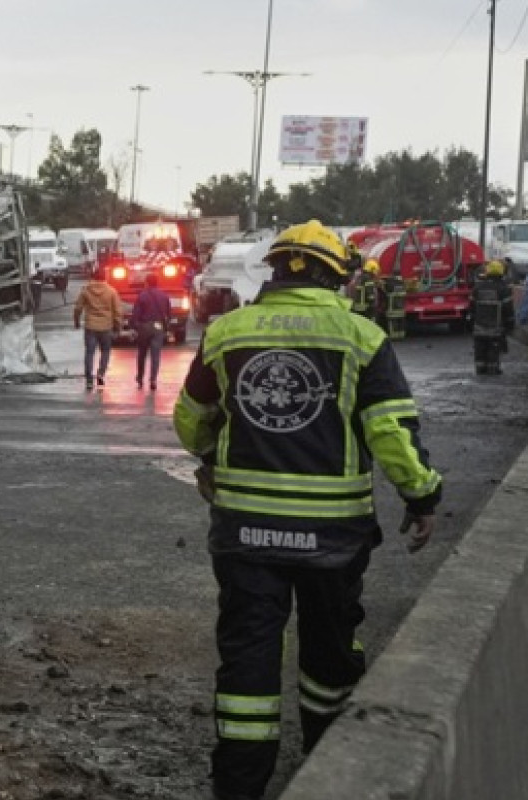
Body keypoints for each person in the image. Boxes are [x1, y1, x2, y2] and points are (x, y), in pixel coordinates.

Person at [174, 220, 442, 800]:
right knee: (329, 652)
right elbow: (390, 432)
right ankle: (328, 766)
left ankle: (239, 786)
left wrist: (209, 458)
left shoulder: (227, 332)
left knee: (248, 657)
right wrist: (422, 495)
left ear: (274, 269)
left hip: (244, 534)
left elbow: (191, 419)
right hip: (332, 537)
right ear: (336, 275)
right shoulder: (362, 337)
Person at [73, 263, 124, 390]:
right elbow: (118, 311)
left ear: (93, 277)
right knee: (105, 352)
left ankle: (89, 379)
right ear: (105, 277)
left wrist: (77, 321)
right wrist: (118, 327)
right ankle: (101, 374)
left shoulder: (86, 290)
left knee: (89, 353)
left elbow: (78, 308)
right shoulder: (111, 291)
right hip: (106, 327)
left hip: (90, 326)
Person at [130, 272, 173, 390]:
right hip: (158, 326)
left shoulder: (142, 295)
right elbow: (169, 313)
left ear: (147, 282)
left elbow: (136, 314)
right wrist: (166, 327)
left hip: (144, 327)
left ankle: (140, 377)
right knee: (155, 355)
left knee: (142, 354)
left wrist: (134, 326)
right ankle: (153, 379)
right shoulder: (164, 295)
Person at [471, 260, 514, 376]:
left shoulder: (478, 287)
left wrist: (472, 320)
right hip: (496, 327)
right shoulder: (504, 289)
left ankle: (480, 369)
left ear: (487, 271)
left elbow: (471, 306)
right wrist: (510, 323)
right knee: (493, 347)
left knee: (480, 347)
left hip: (479, 326)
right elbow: (508, 309)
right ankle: (493, 369)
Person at [347, 260, 380, 324]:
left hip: (356, 307)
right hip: (365, 309)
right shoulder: (368, 279)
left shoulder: (359, 277)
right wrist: (373, 305)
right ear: (372, 269)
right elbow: (370, 295)